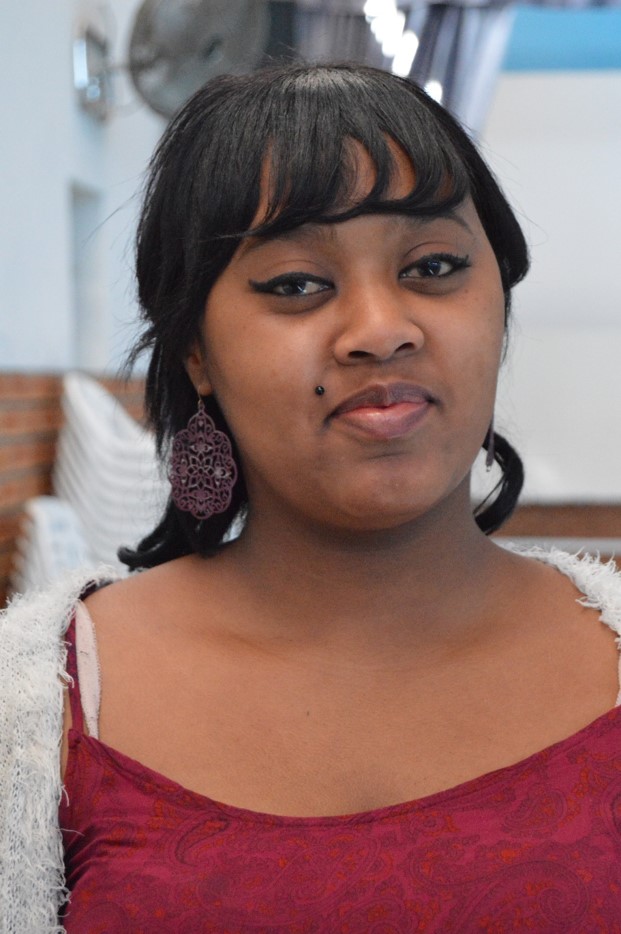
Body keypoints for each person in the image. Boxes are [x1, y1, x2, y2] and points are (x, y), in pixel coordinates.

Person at [2, 62, 621, 932]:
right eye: (296, 284)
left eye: (433, 266)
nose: (381, 330)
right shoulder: (44, 701)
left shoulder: (606, 655)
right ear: (195, 351)